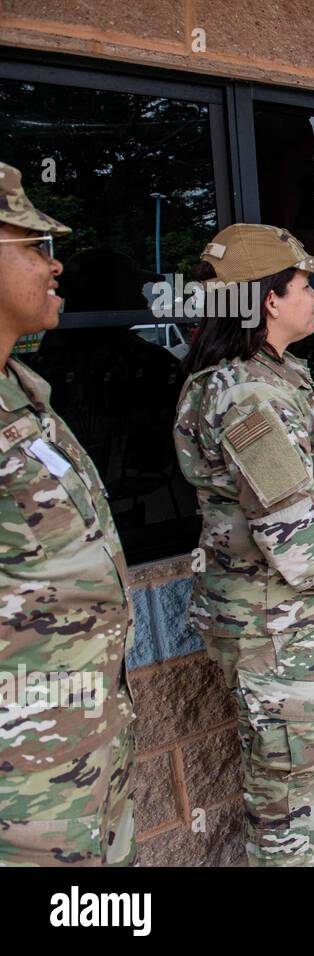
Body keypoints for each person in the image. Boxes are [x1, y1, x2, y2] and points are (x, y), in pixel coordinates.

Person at [173, 223, 314, 867]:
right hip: (278, 624)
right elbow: (291, 539)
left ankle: (306, 851)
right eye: (305, 287)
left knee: (304, 766)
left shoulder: (278, 374)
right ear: (269, 299)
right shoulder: (248, 393)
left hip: (296, 617)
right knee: (292, 779)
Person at [0, 161, 136, 866]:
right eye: (33, 247)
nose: (56, 267)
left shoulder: (25, 390)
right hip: (23, 798)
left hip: (83, 752)